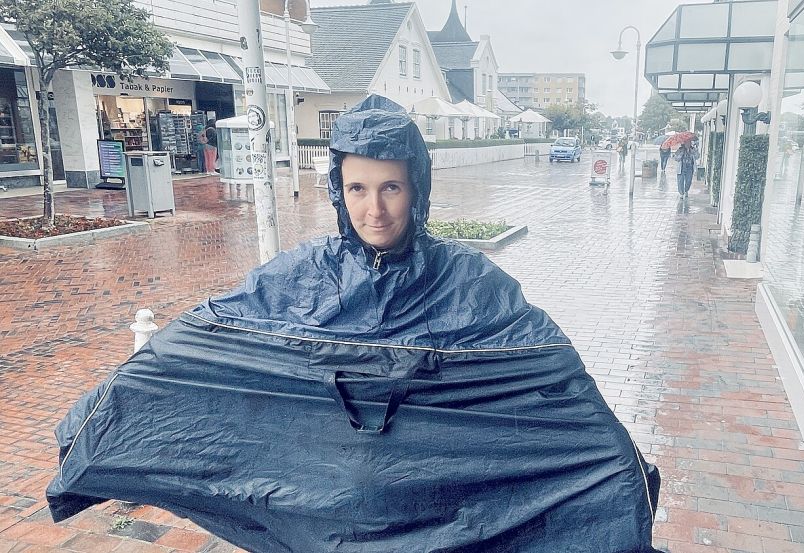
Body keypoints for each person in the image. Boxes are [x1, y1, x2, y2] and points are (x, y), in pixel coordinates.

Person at [47, 95, 662, 553]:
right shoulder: (297, 278)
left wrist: (613, 466)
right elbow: (195, 350)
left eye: (390, 187)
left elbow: (551, 377)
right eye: (358, 188)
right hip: (327, 504)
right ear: (339, 192)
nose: (375, 208)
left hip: (431, 502)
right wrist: (102, 415)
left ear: (416, 188)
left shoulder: (471, 281)